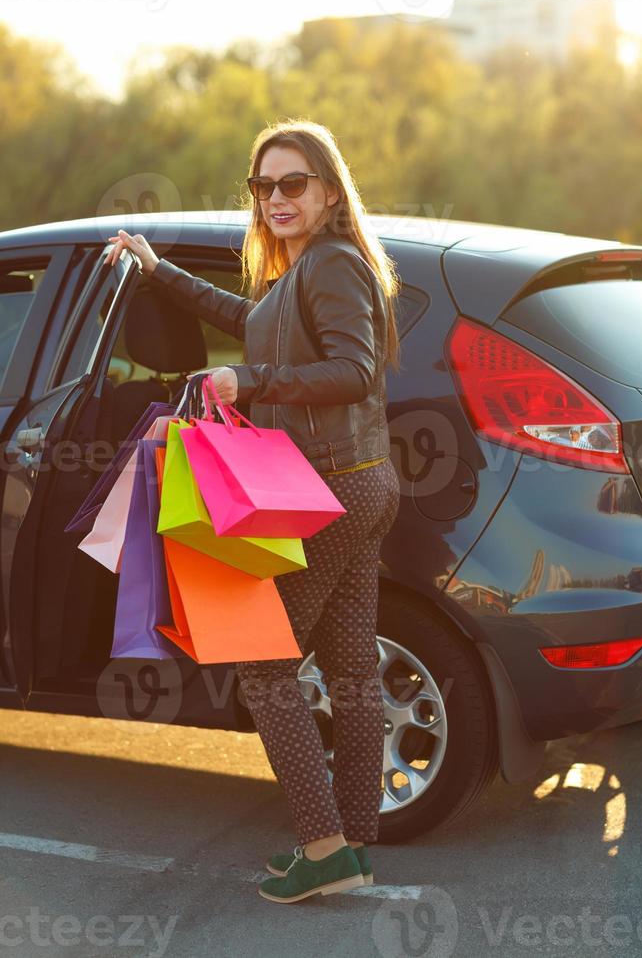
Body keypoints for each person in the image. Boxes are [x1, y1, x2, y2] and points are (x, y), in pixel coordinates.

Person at [105, 119, 402, 903]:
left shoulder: (333, 265)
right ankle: (355, 847)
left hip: (334, 491)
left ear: (330, 192)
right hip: (358, 483)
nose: (276, 198)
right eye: (262, 185)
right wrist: (157, 268)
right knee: (348, 669)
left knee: (266, 668)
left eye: (293, 183)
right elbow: (246, 321)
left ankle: (323, 844)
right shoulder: (302, 271)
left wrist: (252, 383)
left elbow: (354, 370)